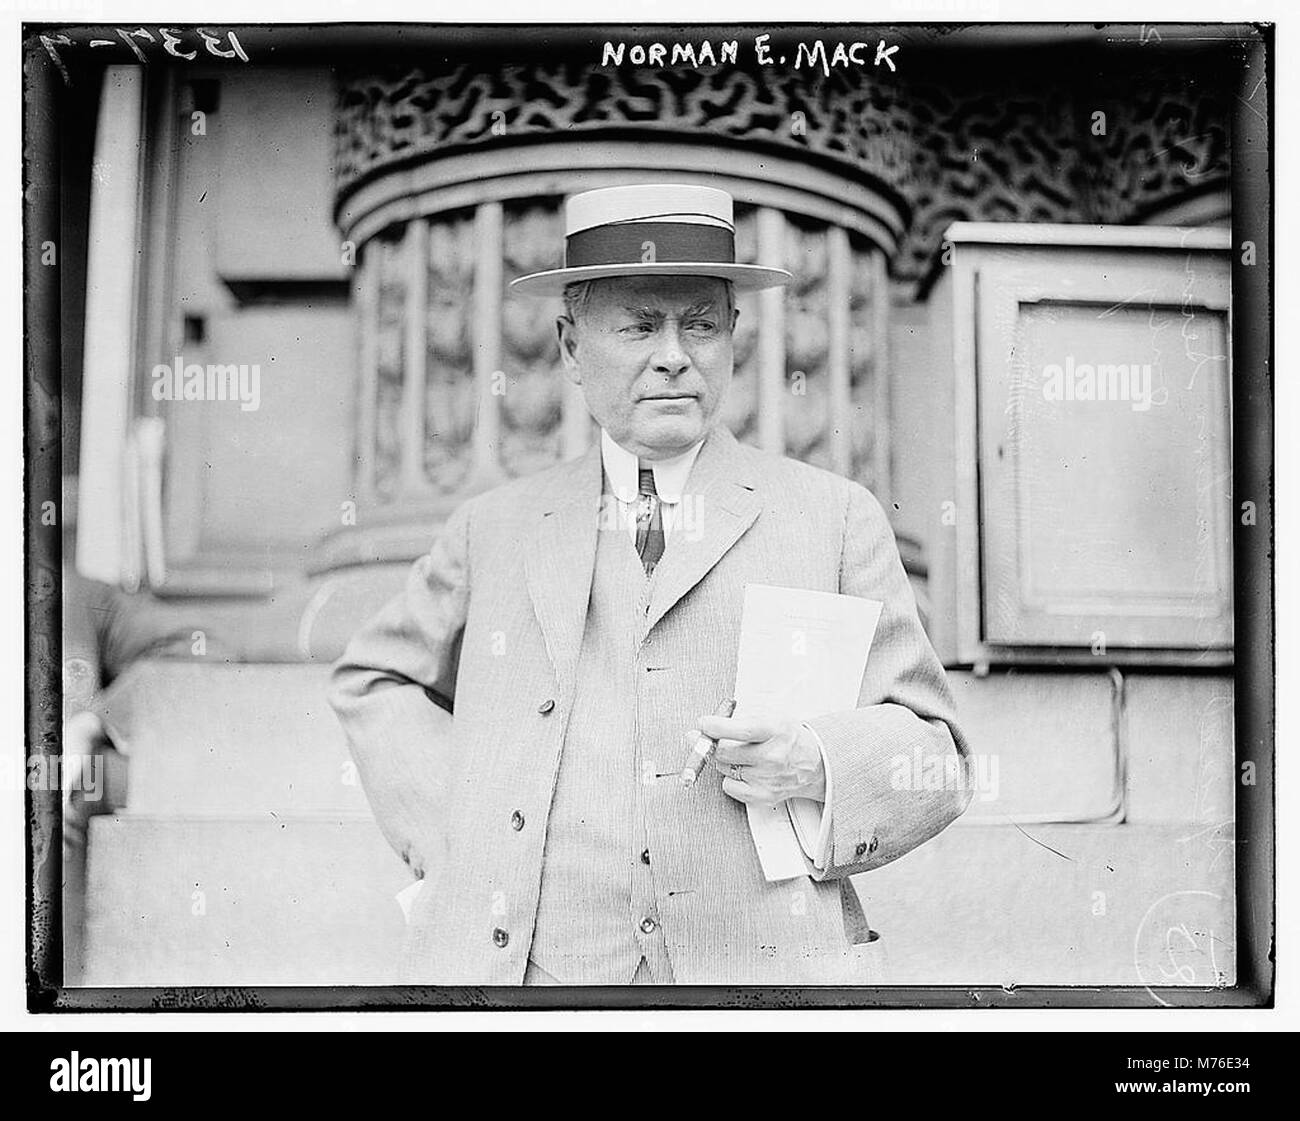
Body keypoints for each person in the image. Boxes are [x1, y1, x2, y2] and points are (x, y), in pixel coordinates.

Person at [329, 183, 971, 985]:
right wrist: (463, 836)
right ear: (569, 347)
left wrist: (815, 761)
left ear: (733, 336)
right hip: (533, 987)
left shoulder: (835, 517)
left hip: (759, 987)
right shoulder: (491, 527)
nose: (674, 353)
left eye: (700, 323)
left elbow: (937, 758)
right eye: (638, 325)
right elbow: (371, 678)